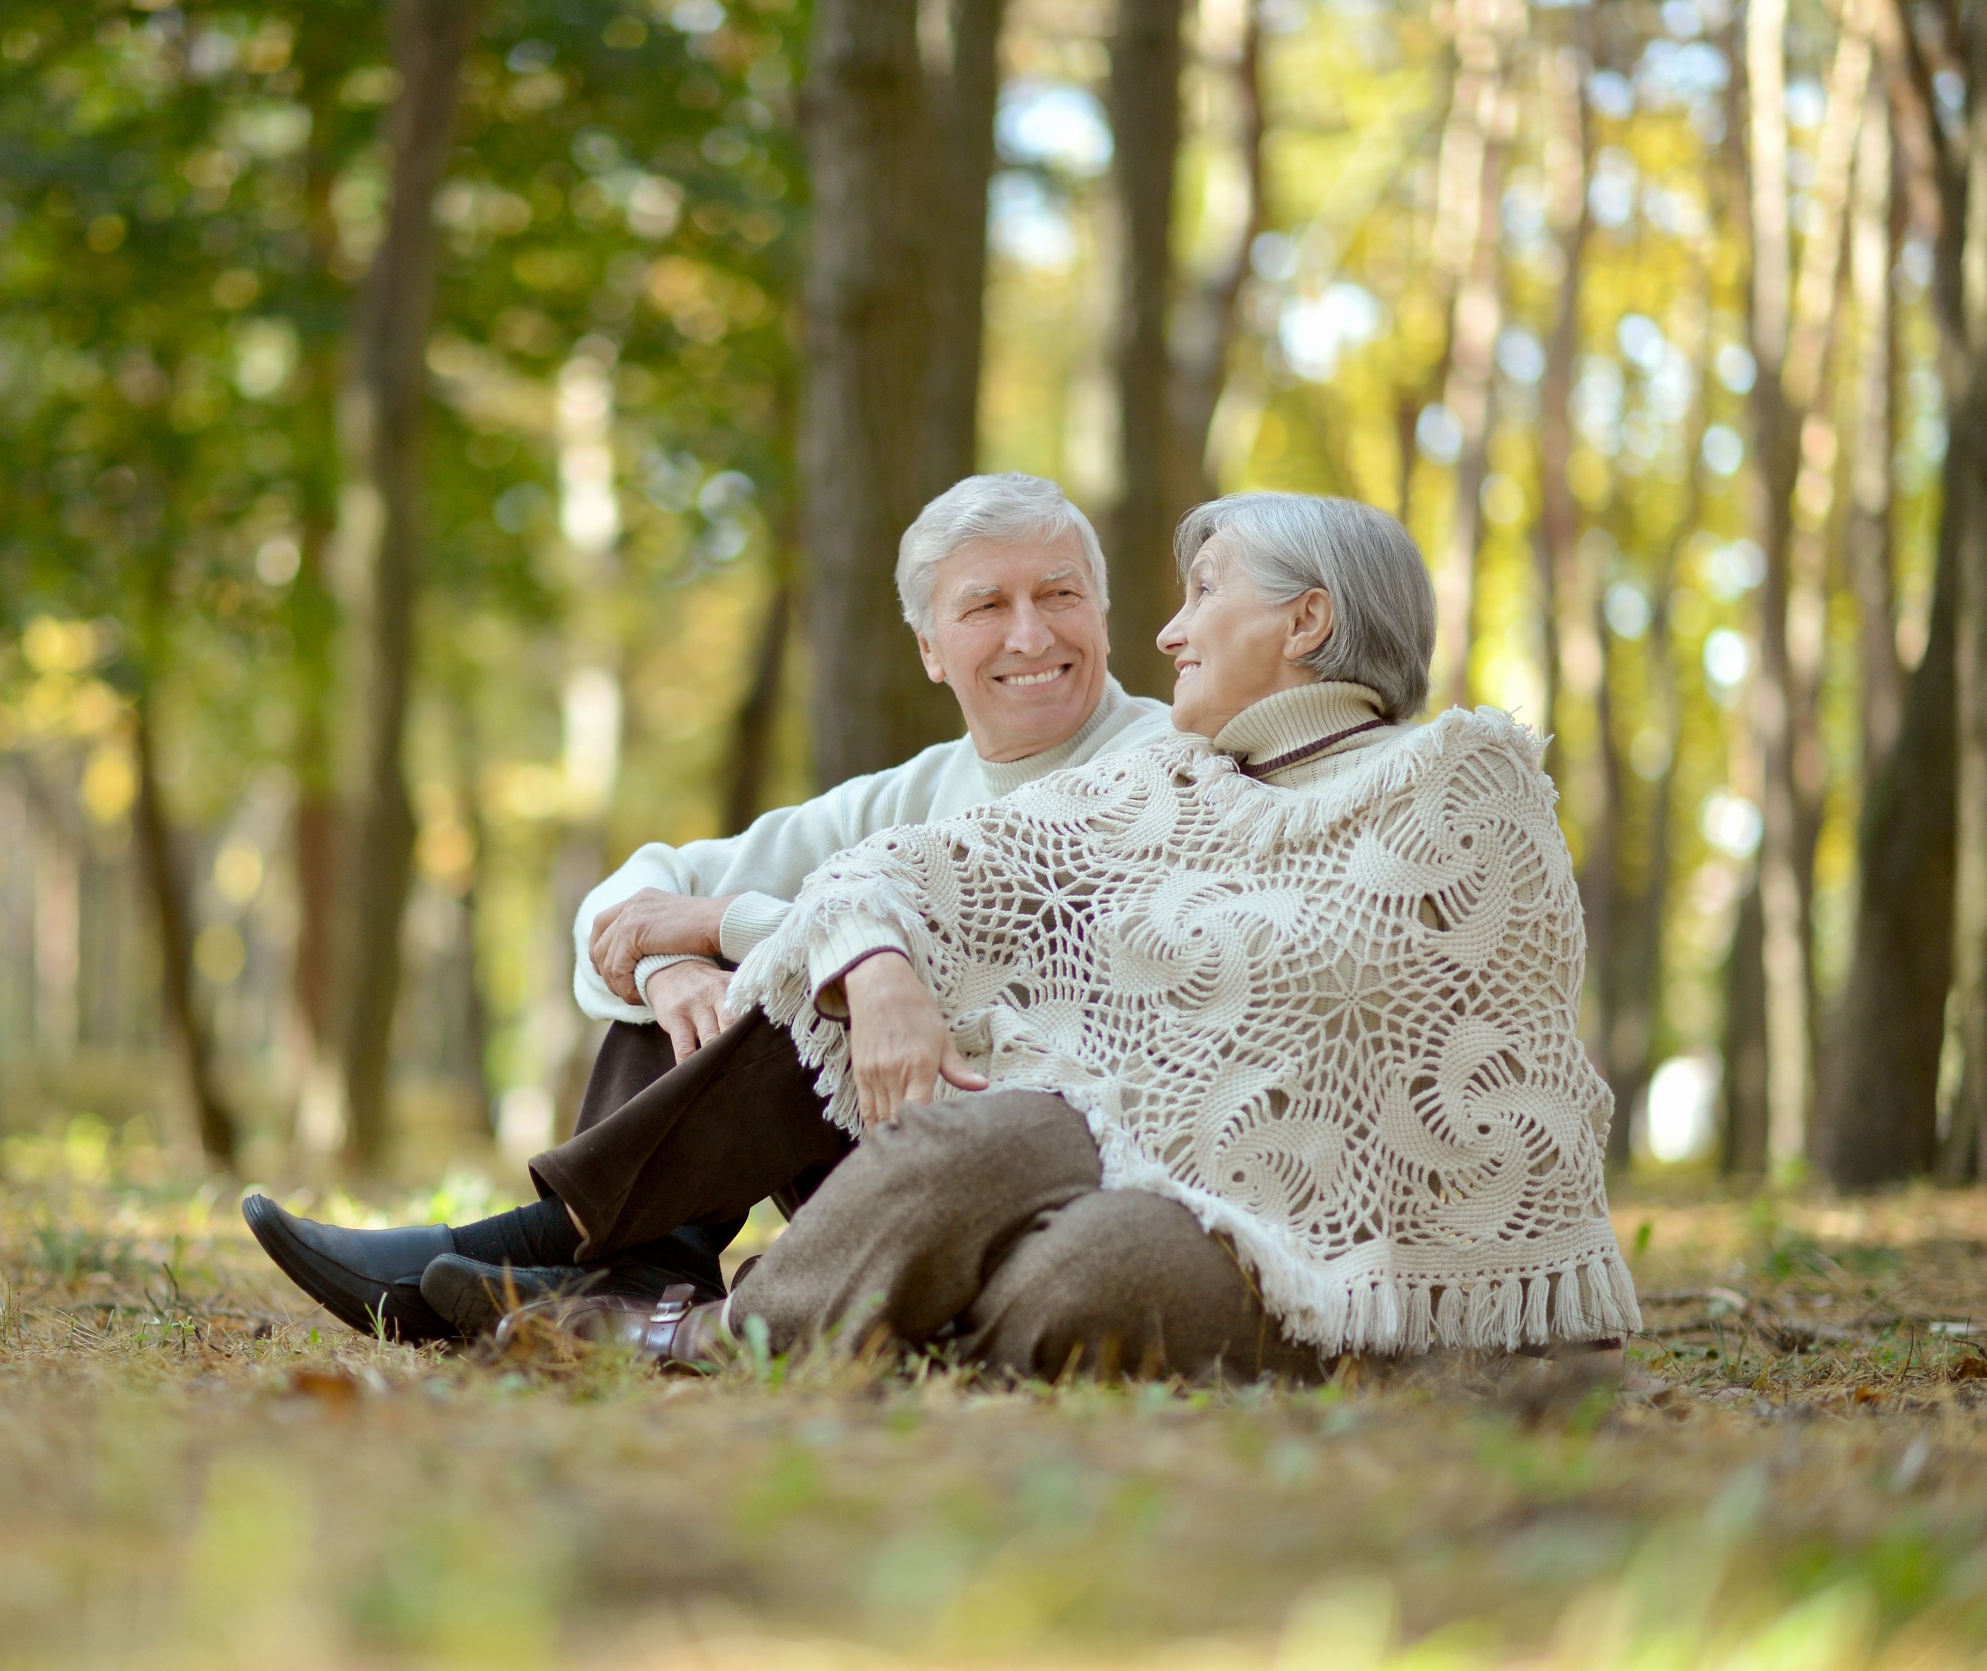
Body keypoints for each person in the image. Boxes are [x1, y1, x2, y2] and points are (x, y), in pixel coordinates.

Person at [516, 491, 1639, 1380]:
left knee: (1082, 1273)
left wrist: (753, 930)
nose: (1167, 628)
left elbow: (1297, 978)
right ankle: (633, 1290)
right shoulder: (1176, 784)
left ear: (1305, 619)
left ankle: (708, 1311)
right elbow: (921, 874)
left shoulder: (1456, 779)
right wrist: (849, 953)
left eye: (1203, 593)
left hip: (1325, 1238)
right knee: (992, 1146)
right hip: (1115, 1155)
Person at [242, 472, 1173, 1339]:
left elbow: (999, 978)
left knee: (805, 966)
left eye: (1058, 595)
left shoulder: (1168, 767)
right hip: (892, 1159)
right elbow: (633, 895)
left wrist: (723, 926)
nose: (1030, 635)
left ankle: (541, 1239)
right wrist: (670, 961)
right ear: (930, 649)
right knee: (732, 969)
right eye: (985, 606)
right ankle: (642, 1270)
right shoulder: (909, 792)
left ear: (1102, 608)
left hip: (1015, 1172)